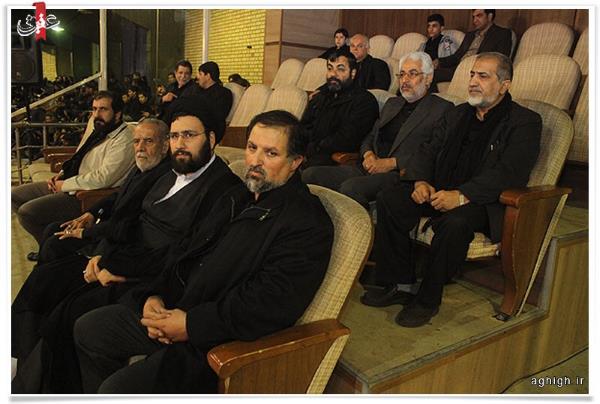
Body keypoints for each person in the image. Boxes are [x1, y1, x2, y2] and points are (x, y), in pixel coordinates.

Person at [71, 110, 334, 394]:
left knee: (116, 390)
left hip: (215, 340)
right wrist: (154, 296)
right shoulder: (237, 196)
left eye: (271, 153)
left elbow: (268, 302)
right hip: (177, 306)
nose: (255, 161)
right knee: (89, 328)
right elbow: (185, 251)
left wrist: (190, 325)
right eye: (252, 148)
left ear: (295, 162)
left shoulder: (306, 221)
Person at [11, 110, 242, 394]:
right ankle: (23, 372)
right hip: (123, 257)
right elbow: (132, 220)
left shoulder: (224, 189)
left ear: (211, 139)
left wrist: (115, 265)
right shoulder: (171, 173)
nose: (180, 143)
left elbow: (182, 253)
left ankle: (44, 388)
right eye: (175, 136)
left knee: (70, 309)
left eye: (189, 135)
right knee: (47, 282)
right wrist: (102, 253)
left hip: (147, 275)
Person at [361, 52, 541, 328]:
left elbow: (510, 172)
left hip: (483, 201)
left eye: (483, 76)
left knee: (454, 223)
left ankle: (427, 299)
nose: (473, 82)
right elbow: (427, 150)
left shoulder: (525, 121)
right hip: (439, 188)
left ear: (504, 85)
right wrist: (420, 181)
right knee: (390, 199)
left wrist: (461, 196)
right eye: (472, 74)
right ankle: (399, 283)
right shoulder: (457, 113)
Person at [302, 52, 452, 208]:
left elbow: (434, 151)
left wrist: (392, 163)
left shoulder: (442, 109)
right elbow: (371, 135)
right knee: (310, 175)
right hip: (369, 166)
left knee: (350, 188)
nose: (405, 80)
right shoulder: (392, 103)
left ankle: (359, 224)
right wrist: (368, 154)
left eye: (412, 74)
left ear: (428, 78)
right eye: (401, 74)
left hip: (401, 174)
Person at [12, 91, 135, 258]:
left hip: (87, 195)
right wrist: (62, 174)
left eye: (103, 109)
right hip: (71, 183)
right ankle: (49, 247)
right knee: (15, 195)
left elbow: (104, 178)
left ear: (118, 114)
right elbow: (80, 153)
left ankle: (52, 251)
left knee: (27, 213)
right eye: (94, 109)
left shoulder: (125, 139)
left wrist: (65, 185)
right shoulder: (96, 124)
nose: (97, 114)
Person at [300, 49, 379, 167]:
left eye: (340, 69)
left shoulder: (365, 101)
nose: (333, 74)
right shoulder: (321, 96)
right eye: (330, 68)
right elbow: (304, 126)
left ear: (353, 73)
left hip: (332, 160)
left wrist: (313, 147)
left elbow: (347, 139)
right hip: (307, 153)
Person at [433, 9, 512, 84]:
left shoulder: (502, 34)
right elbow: (457, 56)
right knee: (429, 72)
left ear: (489, 16)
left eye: (479, 16)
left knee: (432, 74)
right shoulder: (470, 35)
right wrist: (439, 61)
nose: (475, 20)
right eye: (473, 17)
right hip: (459, 68)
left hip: (477, 71)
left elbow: (501, 59)